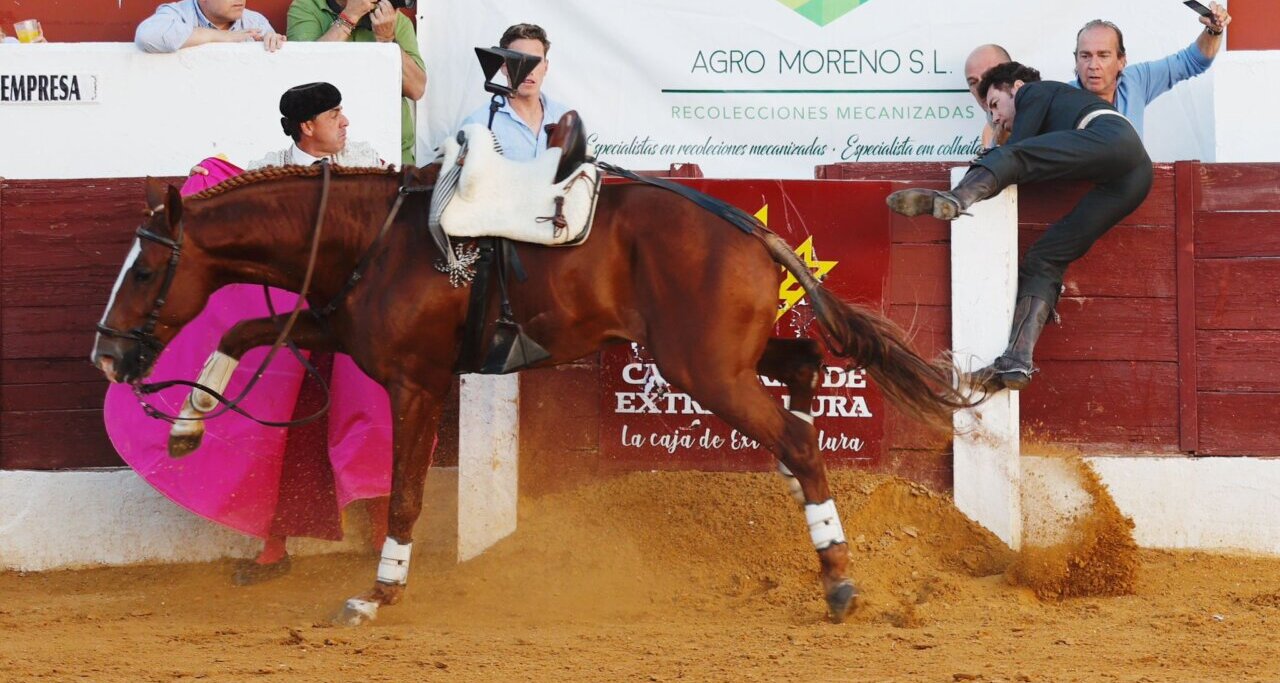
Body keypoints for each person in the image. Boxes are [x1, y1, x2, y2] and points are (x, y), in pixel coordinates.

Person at [885, 62, 1153, 392]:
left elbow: (1017, 153)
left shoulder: (1032, 91)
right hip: (1136, 176)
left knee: (1012, 156)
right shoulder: (1056, 109)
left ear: (1015, 86)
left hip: (1110, 139)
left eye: (995, 105)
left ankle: (956, 200)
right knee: (1045, 259)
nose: (995, 118)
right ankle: (1017, 360)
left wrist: (993, 149)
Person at [285, 0, 425, 166]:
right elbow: (306, 78)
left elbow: (417, 89)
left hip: (391, 153)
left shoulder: (394, 19)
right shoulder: (307, 7)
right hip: (327, 156)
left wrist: (387, 42)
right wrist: (349, 17)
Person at [1071, 2, 1231, 137]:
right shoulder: (1060, 98)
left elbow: (1192, 61)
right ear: (1076, 60)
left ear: (1121, 61)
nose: (1093, 65)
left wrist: (1214, 30)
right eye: (1085, 56)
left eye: (1103, 55)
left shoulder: (1136, 81)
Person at [461, 23, 569, 161]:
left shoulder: (565, 119)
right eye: (518, 60)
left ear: (546, 67)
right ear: (503, 66)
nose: (529, 70)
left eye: (535, 61)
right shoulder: (479, 123)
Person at [248, 81, 383, 168]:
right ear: (307, 127)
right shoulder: (265, 175)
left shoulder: (364, 162)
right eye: (334, 115)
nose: (345, 122)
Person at [135, 0, 286, 53]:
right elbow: (147, 37)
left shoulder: (255, 21)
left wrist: (273, 42)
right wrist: (219, 36)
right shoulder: (178, 13)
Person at [964, 44, 1011, 149]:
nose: (982, 88)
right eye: (973, 82)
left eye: (989, 76)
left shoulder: (1041, 119)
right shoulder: (988, 131)